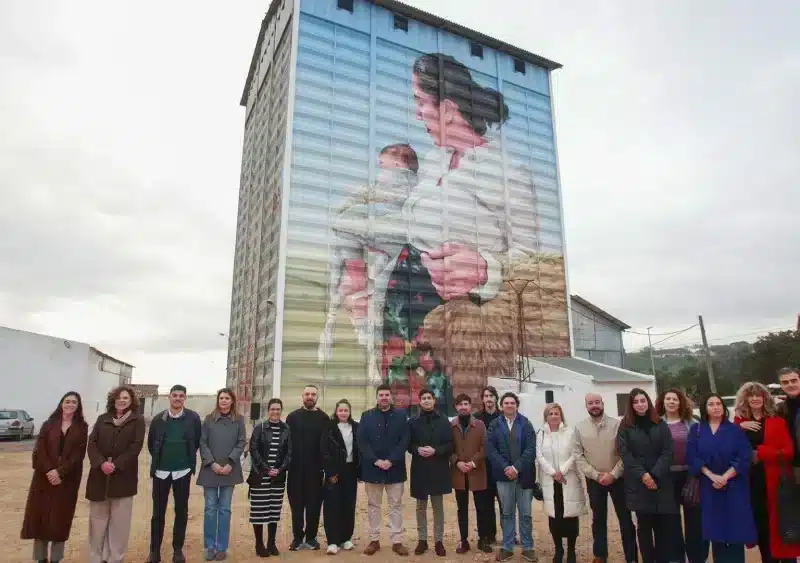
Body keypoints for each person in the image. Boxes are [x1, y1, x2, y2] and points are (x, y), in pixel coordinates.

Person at [733, 382, 799, 562]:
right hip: (751, 483)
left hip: (776, 482)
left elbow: (789, 451)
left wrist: (761, 453)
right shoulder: (739, 423)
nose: (755, 398)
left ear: (765, 398)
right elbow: (729, 447)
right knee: (761, 527)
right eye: (751, 395)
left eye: (759, 395)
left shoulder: (777, 421)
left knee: (780, 526)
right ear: (745, 398)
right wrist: (740, 427)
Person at [687, 393, 757, 563]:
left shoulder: (735, 430)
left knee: (735, 530)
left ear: (724, 408)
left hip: (734, 486)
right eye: (711, 404)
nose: (716, 407)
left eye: (719, 403)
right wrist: (711, 476)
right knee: (715, 531)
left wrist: (725, 477)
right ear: (705, 408)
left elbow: (744, 456)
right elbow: (692, 457)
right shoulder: (696, 430)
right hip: (709, 486)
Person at [21, 391, 89, 563]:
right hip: (43, 478)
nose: (70, 405)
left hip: (67, 480)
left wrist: (60, 472)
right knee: (41, 518)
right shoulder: (48, 424)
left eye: (74, 402)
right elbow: (39, 451)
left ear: (78, 406)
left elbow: (78, 455)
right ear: (61, 403)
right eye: (67, 401)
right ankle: (41, 558)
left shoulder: (82, 427)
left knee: (60, 519)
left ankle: (56, 559)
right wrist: (50, 470)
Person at [86, 385, 146, 563]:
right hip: (99, 477)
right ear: (113, 400)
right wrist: (101, 463)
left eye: (125, 398)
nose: (121, 400)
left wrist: (115, 465)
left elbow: (135, 447)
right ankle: (97, 558)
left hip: (123, 479)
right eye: (118, 397)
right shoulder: (102, 419)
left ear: (131, 401)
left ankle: (115, 558)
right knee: (97, 523)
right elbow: (92, 443)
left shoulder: (137, 420)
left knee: (119, 525)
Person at [574, 393, 637, 563]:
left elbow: (626, 452)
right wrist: (595, 475)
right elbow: (578, 456)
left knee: (625, 518)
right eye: (590, 403)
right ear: (586, 406)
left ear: (603, 403)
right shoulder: (579, 428)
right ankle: (600, 555)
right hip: (594, 480)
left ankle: (631, 557)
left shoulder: (618, 425)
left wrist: (614, 474)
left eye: (597, 402)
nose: (594, 406)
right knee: (598, 519)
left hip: (619, 478)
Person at [617, 388, 677, 563]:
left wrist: (655, 475)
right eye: (635, 402)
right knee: (643, 528)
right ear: (631, 405)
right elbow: (625, 453)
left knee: (662, 528)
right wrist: (644, 476)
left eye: (643, 401)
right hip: (638, 484)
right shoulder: (625, 426)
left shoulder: (660, 423)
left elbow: (668, 450)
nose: (640, 404)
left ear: (648, 402)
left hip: (661, 483)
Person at [145, 384, 202, 563]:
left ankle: (177, 550)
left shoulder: (193, 418)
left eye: (181, 396)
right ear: (169, 397)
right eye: (174, 395)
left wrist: (187, 462)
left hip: (182, 472)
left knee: (181, 511)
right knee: (158, 513)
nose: (178, 398)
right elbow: (151, 444)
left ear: (185, 398)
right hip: (161, 472)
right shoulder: (158, 420)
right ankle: (154, 551)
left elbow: (197, 441)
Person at [357, 383, 411, 556]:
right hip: (373, 469)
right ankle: (374, 540)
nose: (384, 397)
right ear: (377, 397)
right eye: (381, 395)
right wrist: (376, 460)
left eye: (387, 395)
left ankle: (397, 541)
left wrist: (391, 460)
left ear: (391, 397)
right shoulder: (366, 416)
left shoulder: (402, 416)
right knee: (373, 506)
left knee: (396, 505)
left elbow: (404, 440)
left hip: (395, 469)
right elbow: (362, 442)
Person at [655, 389, 707, 563]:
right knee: (672, 521)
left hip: (690, 476)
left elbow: (701, 449)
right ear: (663, 402)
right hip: (667, 477)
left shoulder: (693, 424)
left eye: (675, 399)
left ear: (680, 402)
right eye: (668, 398)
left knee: (694, 520)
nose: (671, 402)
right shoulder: (656, 424)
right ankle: (677, 558)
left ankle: (696, 558)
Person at [485, 392, 537, 563]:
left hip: (524, 476)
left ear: (517, 405)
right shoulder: (494, 424)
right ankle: (507, 547)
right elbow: (490, 449)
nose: (509, 405)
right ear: (501, 406)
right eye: (506, 403)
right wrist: (506, 467)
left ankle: (528, 547)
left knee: (525, 514)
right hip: (503, 476)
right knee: (506, 512)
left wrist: (517, 467)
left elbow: (531, 448)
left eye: (512, 402)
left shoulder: (526, 423)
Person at [197, 388, 246, 561]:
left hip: (229, 471)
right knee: (210, 509)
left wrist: (231, 462)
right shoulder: (209, 420)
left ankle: (222, 547)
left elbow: (241, 442)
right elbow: (202, 443)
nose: (223, 401)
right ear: (218, 401)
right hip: (210, 470)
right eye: (221, 398)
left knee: (224, 509)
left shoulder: (239, 420)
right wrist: (212, 463)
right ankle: (210, 546)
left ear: (232, 401)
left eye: (227, 398)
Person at [536, 403, 586, 563]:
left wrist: (562, 471)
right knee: (555, 517)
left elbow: (575, 453)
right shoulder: (541, 434)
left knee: (570, 516)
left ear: (561, 415)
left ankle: (571, 550)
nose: (554, 416)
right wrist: (553, 473)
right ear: (546, 416)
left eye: (556, 413)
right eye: (550, 413)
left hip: (567, 479)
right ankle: (559, 549)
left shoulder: (570, 432)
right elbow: (539, 455)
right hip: (550, 481)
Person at [408, 388, 453, 556]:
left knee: (438, 507)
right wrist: (417, 449)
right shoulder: (413, 421)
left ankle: (439, 541)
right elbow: (408, 443)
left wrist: (436, 450)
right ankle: (422, 540)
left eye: (429, 398)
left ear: (434, 401)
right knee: (420, 507)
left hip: (438, 468)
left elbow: (450, 444)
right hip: (419, 468)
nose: (426, 400)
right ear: (419, 402)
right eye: (423, 398)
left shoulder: (443, 421)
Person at [285, 384, 329, 550]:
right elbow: (287, 444)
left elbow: (326, 446)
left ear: (317, 397)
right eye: (307, 394)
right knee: (296, 506)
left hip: (316, 471)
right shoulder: (292, 417)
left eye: (313, 394)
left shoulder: (324, 419)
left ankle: (311, 537)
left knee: (314, 506)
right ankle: (297, 538)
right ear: (302, 396)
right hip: (295, 470)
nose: (310, 397)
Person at [248, 398, 291, 557]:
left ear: (281, 410)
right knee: (259, 511)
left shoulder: (286, 429)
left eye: (278, 409)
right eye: (272, 409)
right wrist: (267, 469)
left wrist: (279, 469)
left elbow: (289, 453)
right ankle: (259, 544)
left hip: (278, 477)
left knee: (274, 511)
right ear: (268, 411)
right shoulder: (259, 428)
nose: (275, 412)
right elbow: (254, 450)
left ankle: (271, 543)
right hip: (260, 477)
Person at [451, 393, 493, 554]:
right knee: (462, 509)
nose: (463, 407)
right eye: (460, 404)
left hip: (478, 471)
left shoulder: (480, 425)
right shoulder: (452, 425)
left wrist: (473, 462)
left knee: (481, 507)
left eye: (466, 404)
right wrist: (458, 462)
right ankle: (464, 541)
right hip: (459, 473)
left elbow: (485, 447)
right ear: (456, 407)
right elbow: (449, 448)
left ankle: (483, 539)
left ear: (470, 406)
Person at [321, 399, 360, 555]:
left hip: (351, 471)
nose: (343, 413)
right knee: (332, 506)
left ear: (350, 412)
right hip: (334, 472)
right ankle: (332, 541)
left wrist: (359, 471)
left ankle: (346, 538)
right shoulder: (329, 428)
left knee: (348, 505)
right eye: (340, 410)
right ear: (336, 412)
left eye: (346, 410)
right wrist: (330, 473)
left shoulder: (356, 427)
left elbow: (359, 450)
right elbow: (323, 451)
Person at [475, 385, 503, 545]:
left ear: (496, 398)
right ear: (482, 399)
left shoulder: (503, 417)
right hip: (482, 468)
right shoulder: (476, 418)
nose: (488, 399)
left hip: (500, 468)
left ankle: (508, 536)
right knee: (483, 506)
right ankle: (485, 536)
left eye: (491, 395)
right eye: (485, 396)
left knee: (505, 505)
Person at [776, 367, 800, 483]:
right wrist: (742, 423)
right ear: (781, 385)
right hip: (793, 465)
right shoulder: (780, 408)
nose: (790, 385)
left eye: (794, 380)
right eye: (785, 382)